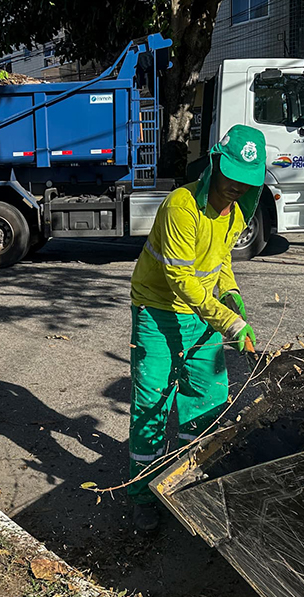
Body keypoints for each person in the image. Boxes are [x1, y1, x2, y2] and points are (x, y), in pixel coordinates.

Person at [127, 124, 265, 532]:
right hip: (158, 312)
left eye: (246, 184)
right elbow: (181, 280)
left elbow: (220, 262)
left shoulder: (234, 214)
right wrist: (230, 321)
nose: (236, 189)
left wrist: (232, 292)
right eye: (232, 178)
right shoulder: (181, 206)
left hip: (202, 317)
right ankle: (140, 495)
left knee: (206, 399)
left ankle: (185, 481)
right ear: (215, 165)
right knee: (151, 403)